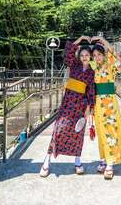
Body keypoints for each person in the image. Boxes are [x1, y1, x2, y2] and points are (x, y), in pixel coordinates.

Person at [40, 36, 95, 177]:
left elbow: (91, 91)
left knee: (78, 133)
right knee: (58, 129)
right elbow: (69, 50)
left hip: (80, 105)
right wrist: (81, 39)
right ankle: (47, 159)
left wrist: (89, 108)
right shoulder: (74, 65)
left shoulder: (91, 72)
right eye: (82, 55)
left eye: (87, 55)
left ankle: (77, 161)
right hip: (68, 102)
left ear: (90, 57)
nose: (84, 57)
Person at [91, 36, 121, 180]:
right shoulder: (94, 69)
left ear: (104, 55)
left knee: (111, 130)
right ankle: (104, 158)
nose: (97, 58)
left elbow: (116, 58)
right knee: (101, 131)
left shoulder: (110, 65)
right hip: (97, 103)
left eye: (99, 55)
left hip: (109, 103)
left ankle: (111, 163)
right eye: (94, 56)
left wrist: (102, 40)